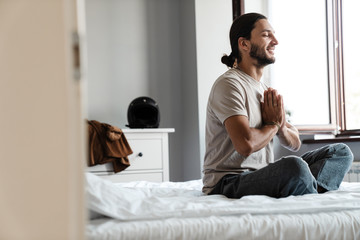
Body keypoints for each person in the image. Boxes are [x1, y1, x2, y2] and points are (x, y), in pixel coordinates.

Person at [202, 12, 353, 198]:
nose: (275, 41)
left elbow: (295, 142)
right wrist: (272, 125)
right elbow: (245, 144)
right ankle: (310, 188)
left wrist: (280, 126)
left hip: (262, 174)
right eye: (266, 35)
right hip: (228, 181)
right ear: (244, 44)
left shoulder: (266, 89)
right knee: (294, 167)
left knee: (340, 152)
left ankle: (307, 187)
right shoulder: (229, 84)